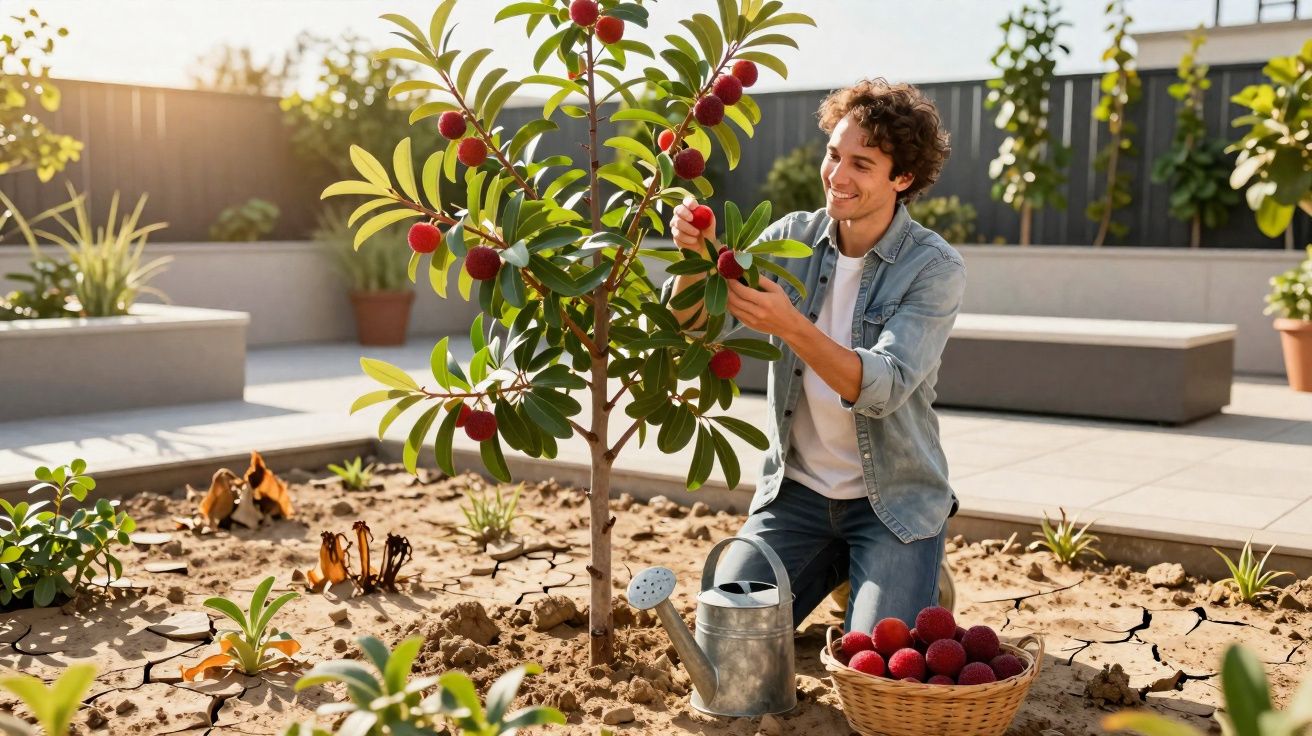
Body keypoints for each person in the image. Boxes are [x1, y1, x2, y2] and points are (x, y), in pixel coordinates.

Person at [663, 78, 965, 634]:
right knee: (727, 645)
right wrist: (696, 263)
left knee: (876, 660)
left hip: (892, 506)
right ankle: (844, 570)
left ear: (902, 178)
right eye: (833, 154)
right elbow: (692, 330)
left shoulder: (933, 268)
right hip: (796, 497)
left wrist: (791, 325)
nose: (837, 175)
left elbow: (884, 385)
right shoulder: (789, 240)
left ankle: (909, 577)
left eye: (861, 164)